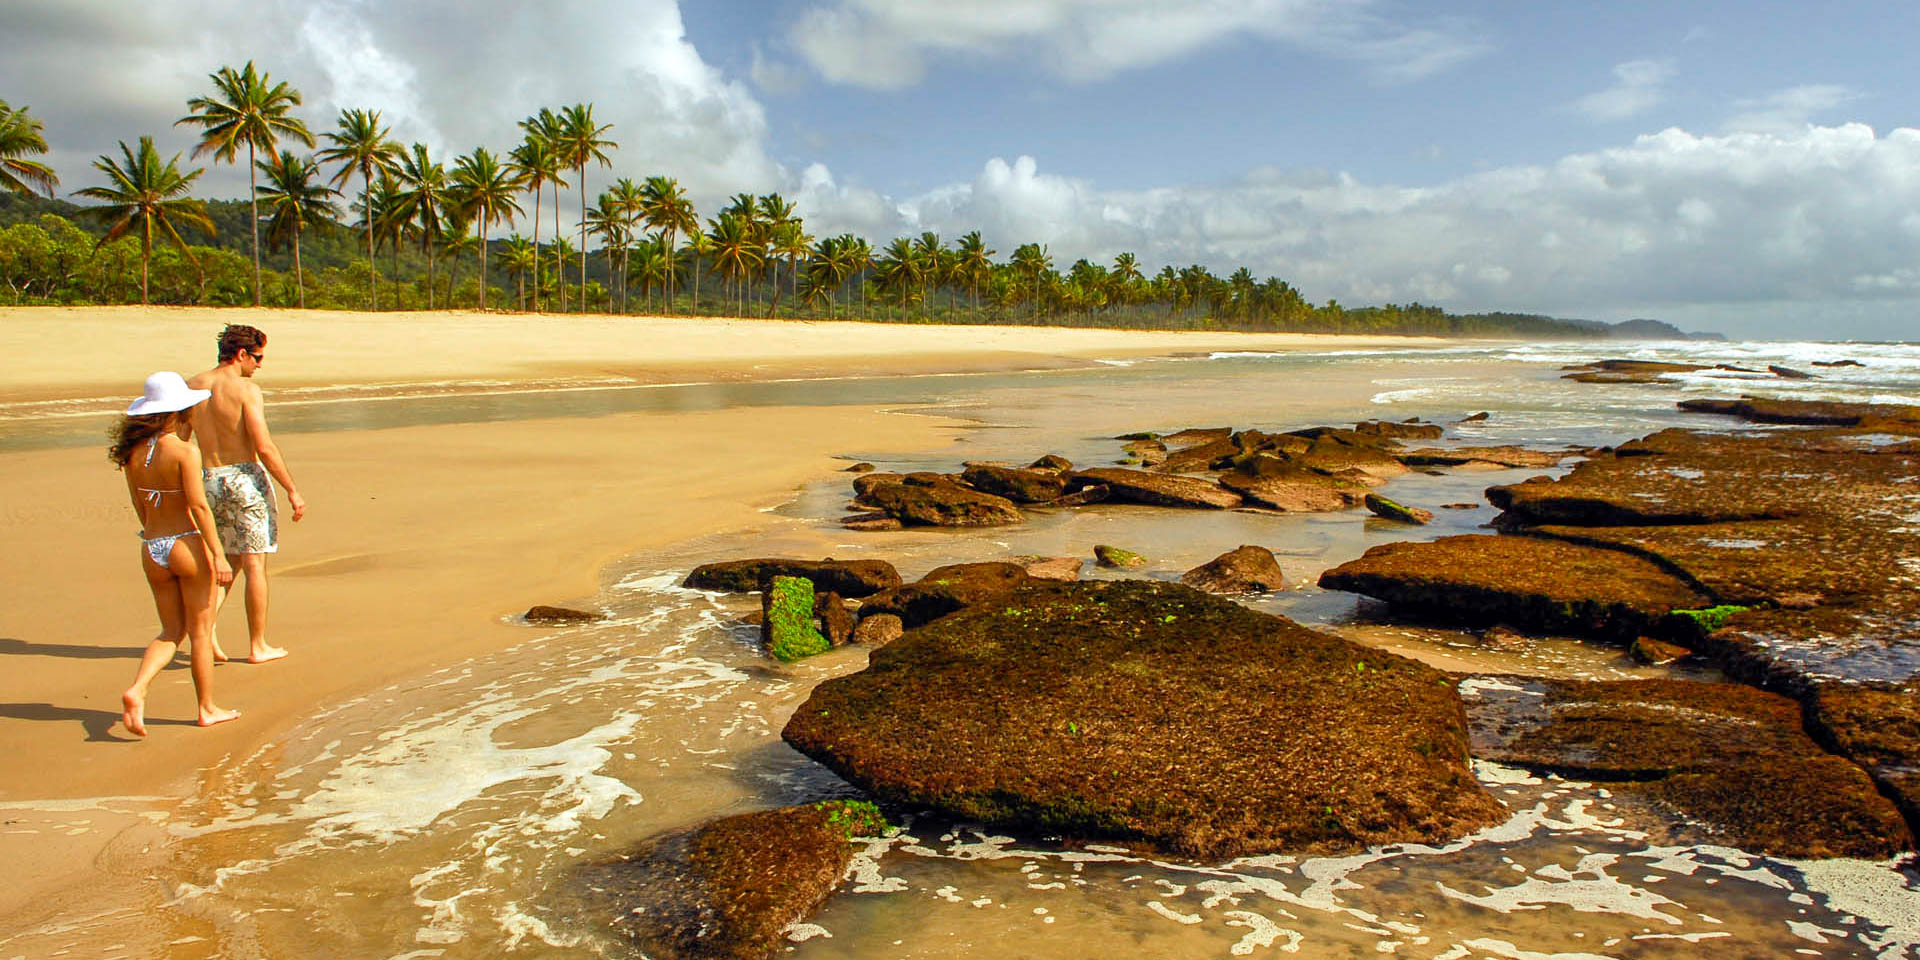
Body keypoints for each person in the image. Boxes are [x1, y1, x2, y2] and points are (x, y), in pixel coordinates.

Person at [113, 372, 240, 736]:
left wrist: (154, 533)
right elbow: (199, 508)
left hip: (152, 546)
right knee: (200, 632)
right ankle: (206, 708)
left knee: (171, 630)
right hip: (185, 543)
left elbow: (139, 505)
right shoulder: (185, 451)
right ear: (175, 412)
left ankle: (138, 688)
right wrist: (217, 554)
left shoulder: (133, 453)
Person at [187, 324, 305, 664]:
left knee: (227, 564)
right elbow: (264, 447)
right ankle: (258, 645)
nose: (259, 366)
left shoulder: (193, 385)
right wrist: (292, 489)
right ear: (241, 354)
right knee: (254, 565)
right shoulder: (245, 390)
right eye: (257, 358)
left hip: (208, 478)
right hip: (244, 479)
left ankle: (206, 631)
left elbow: (180, 438)